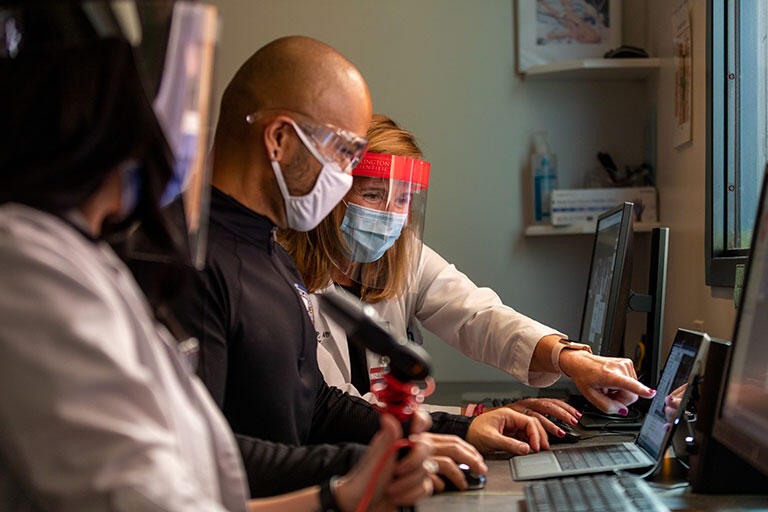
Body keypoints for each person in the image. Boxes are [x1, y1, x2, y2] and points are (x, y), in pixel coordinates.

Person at [0, 3, 433, 511]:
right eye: (345, 153)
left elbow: (207, 463)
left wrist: (352, 483)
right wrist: (339, 484)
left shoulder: (100, 261)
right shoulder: (39, 264)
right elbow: (153, 492)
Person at [143, 35, 558, 495]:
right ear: (280, 139)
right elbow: (202, 454)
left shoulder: (271, 258)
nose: (343, 178)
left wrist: (443, 435)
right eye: (344, 152)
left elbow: (316, 407)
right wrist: (361, 472)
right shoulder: (192, 266)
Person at [279, 114, 657, 429]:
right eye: (373, 195)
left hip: (393, 449)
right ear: (333, 193)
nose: (390, 215)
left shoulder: (403, 257)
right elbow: (334, 409)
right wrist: (470, 422)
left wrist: (570, 359)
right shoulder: (284, 274)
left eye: (403, 199)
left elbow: (477, 317)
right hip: (332, 461)